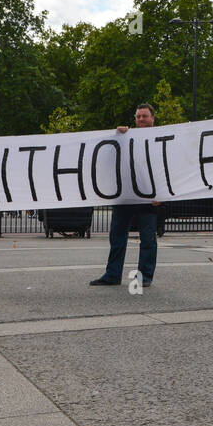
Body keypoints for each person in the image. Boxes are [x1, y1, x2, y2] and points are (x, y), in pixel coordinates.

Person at [89, 103, 161, 288]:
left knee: (147, 239)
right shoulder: (125, 138)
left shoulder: (161, 140)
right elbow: (108, 155)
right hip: (125, 196)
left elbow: (165, 169)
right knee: (117, 237)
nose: (141, 119)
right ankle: (112, 275)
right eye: (138, 116)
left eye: (144, 116)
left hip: (148, 196)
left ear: (153, 118)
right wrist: (116, 135)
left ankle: (144, 276)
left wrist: (161, 194)